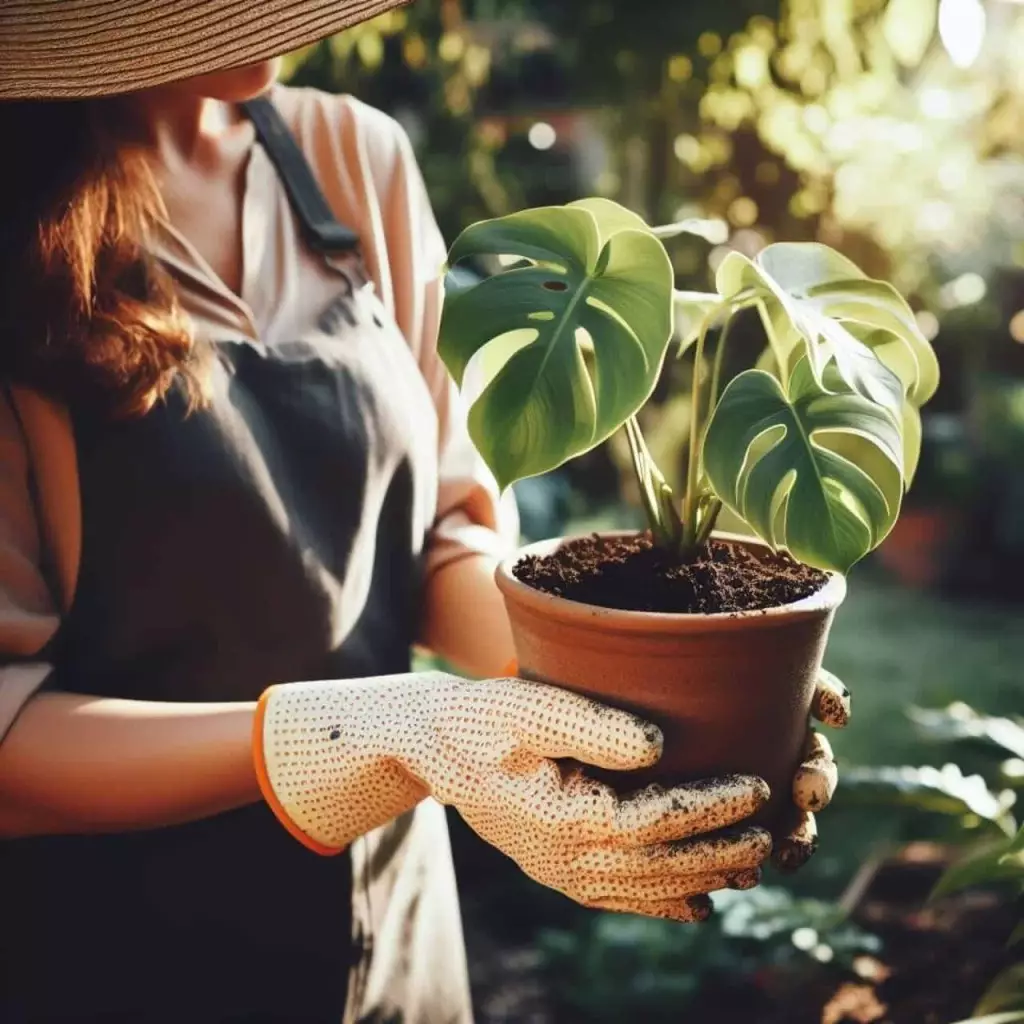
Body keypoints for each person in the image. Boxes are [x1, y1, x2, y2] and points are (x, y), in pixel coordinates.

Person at [0, 2, 850, 1021]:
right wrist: (381, 733)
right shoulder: (21, 239)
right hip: (116, 958)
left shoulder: (351, 156)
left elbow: (448, 532)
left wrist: (641, 694)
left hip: (397, 933)